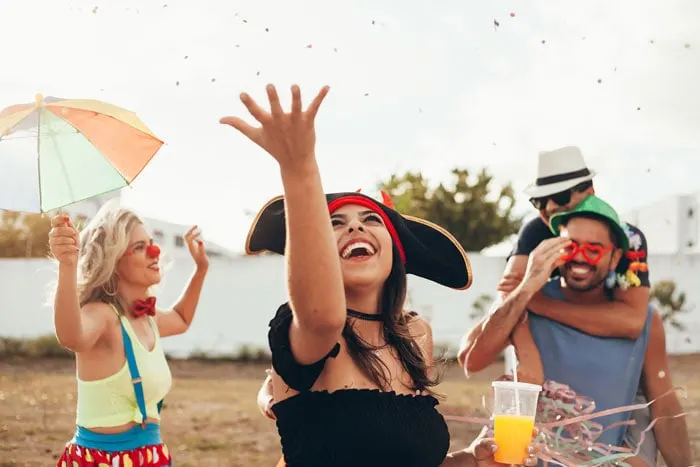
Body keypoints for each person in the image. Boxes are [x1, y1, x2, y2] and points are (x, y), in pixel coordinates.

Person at [220, 84, 539, 467]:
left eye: (371, 220)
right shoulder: (308, 328)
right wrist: (299, 167)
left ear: (395, 251)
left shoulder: (415, 336)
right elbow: (323, 315)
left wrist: (471, 459)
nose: (355, 228)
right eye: (334, 223)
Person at [461, 146, 659, 462]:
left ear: (589, 192)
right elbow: (512, 303)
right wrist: (528, 354)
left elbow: (632, 321)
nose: (550, 208)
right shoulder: (535, 233)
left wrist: (540, 304)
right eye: (541, 201)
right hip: (552, 374)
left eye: (562, 196)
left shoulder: (628, 237)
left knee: (642, 432)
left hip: (618, 375)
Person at [50, 204, 209, 466]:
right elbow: (71, 336)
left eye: (151, 243)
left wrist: (201, 269)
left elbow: (181, 319)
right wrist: (67, 265)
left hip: (151, 457)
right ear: (112, 259)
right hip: (102, 460)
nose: (154, 252)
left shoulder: (147, 317)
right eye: (139, 247)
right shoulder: (103, 316)